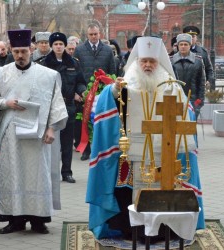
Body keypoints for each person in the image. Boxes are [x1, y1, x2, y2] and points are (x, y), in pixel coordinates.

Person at [86, 36, 205, 239]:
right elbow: (109, 100)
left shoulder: (171, 86)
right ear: (137, 62)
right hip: (133, 152)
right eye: (144, 61)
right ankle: (134, 231)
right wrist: (114, 89)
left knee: (165, 188)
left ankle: (165, 231)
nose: (148, 65)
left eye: (152, 61)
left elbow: (187, 113)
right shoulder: (125, 84)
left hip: (164, 150)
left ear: (159, 63)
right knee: (133, 190)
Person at [0, 29, 68, 234]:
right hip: (11, 135)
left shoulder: (48, 75)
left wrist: (51, 128)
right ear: (11, 50)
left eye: (24, 51)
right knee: (13, 174)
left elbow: (57, 103)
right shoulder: (0, 74)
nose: (20, 56)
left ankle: (38, 221)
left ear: (31, 49)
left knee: (37, 175)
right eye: (16, 52)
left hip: (38, 136)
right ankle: (15, 220)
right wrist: (5, 102)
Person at [40, 32, 86, 184]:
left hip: (68, 106)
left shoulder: (73, 62)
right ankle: (49, 172)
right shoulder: (44, 63)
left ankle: (67, 172)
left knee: (67, 142)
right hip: (51, 107)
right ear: (51, 46)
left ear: (65, 45)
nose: (59, 46)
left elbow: (80, 81)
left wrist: (82, 91)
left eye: (61, 44)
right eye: (56, 44)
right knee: (50, 141)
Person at [73, 23, 116, 161]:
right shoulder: (79, 50)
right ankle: (86, 150)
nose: (93, 37)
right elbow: (75, 72)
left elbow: (112, 71)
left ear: (100, 34)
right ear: (87, 35)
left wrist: (110, 88)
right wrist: (80, 91)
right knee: (84, 120)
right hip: (85, 91)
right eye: (91, 34)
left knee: (101, 119)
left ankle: (102, 149)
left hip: (103, 91)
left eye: (95, 34)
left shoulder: (107, 50)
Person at [171, 33, 205, 117]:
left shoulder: (197, 61)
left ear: (190, 45)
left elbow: (201, 83)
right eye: (181, 44)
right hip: (175, 99)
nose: (183, 46)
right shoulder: (171, 61)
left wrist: (198, 102)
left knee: (191, 128)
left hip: (192, 100)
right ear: (178, 46)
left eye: (185, 44)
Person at [183, 26, 214, 90]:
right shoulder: (179, 52)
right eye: (189, 36)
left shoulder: (202, 52)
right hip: (183, 86)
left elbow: (209, 69)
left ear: (196, 38)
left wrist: (209, 80)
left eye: (193, 36)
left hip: (198, 86)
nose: (191, 38)